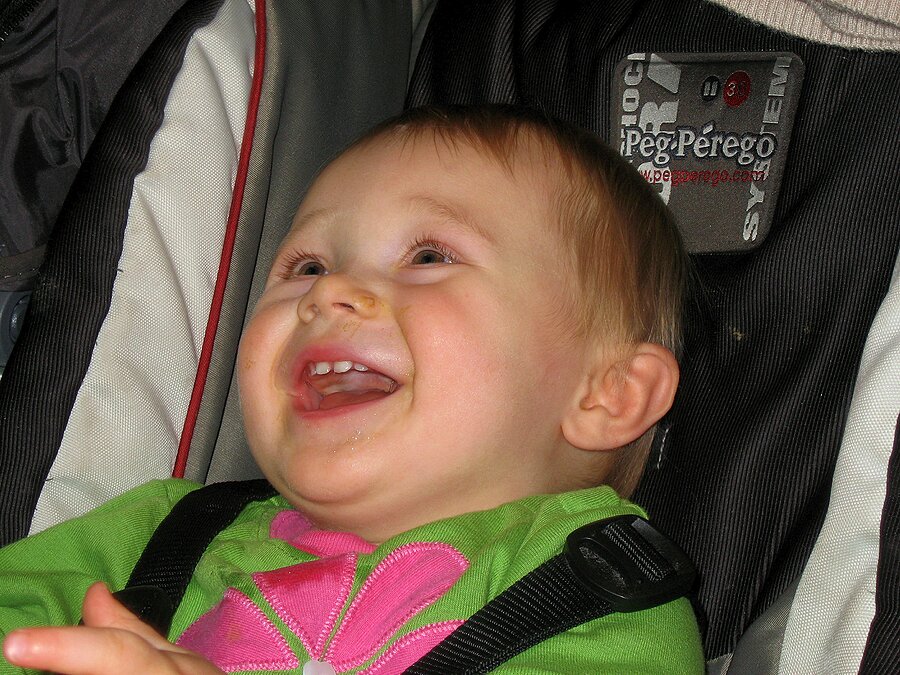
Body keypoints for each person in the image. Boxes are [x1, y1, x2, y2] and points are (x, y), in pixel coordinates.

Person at [0, 105, 703, 674]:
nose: (328, 291)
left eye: (428, 256)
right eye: (305, 267)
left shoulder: (598, 599)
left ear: (607, 394)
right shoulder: (160, 532)